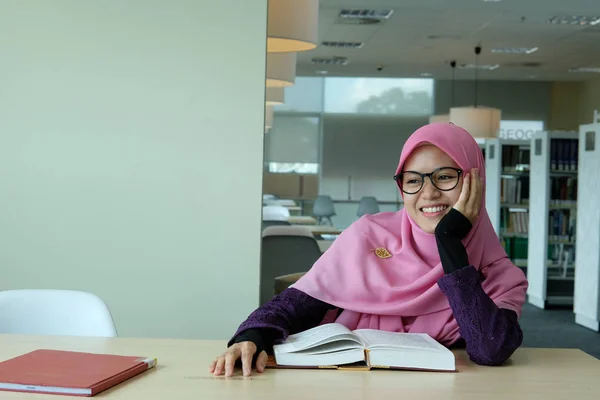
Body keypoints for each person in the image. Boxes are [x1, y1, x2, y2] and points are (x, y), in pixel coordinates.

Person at [209, 123, 528, 377]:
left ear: (476, 182)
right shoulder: (367, 237)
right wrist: (250, 337)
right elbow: (289, 307)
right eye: (413, 180)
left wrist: (450, 244)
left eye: (445, 177)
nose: (428, 193)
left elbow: (491, 349)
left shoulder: (497, 274)